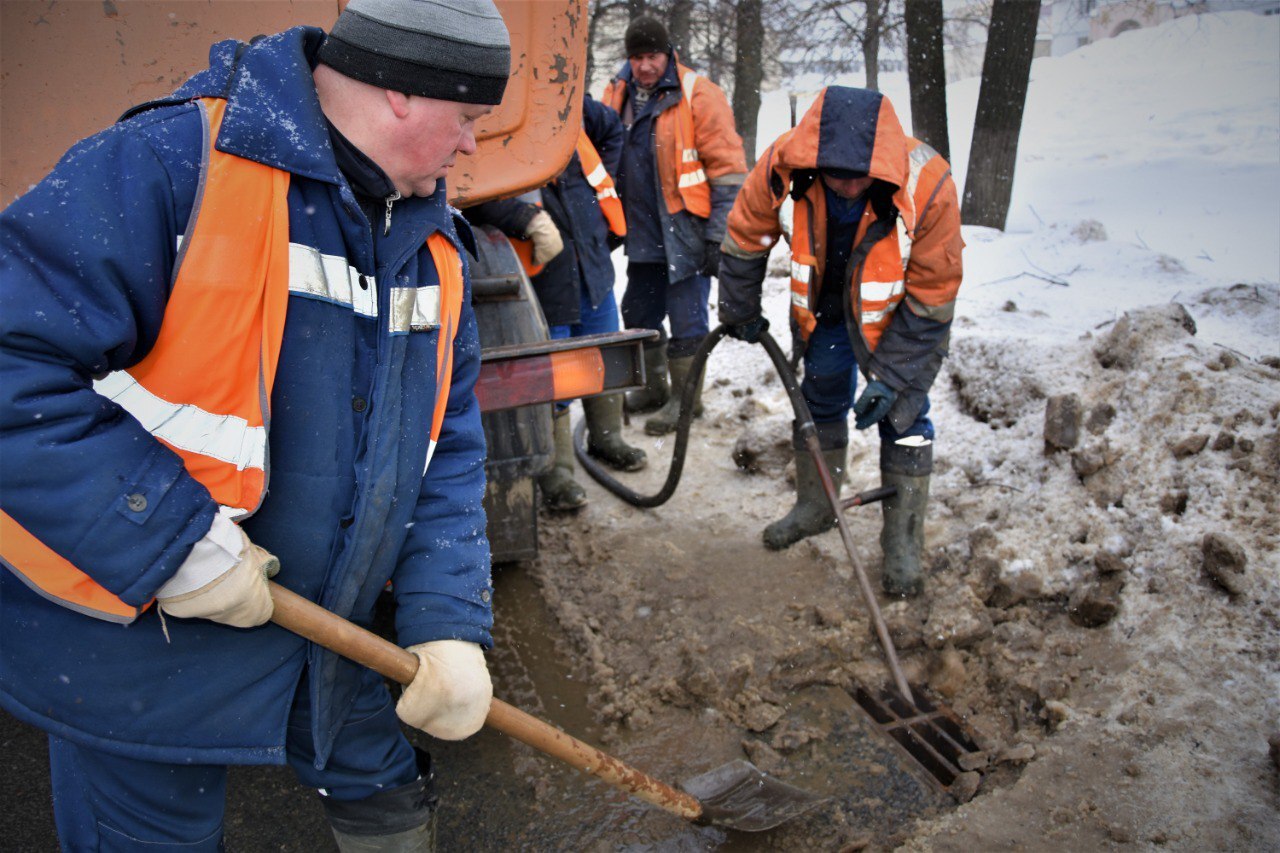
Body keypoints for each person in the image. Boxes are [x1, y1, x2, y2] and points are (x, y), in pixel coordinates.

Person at [0, 0, 510, 848]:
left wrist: (448, 621)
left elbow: (445, 456)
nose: (470, 145)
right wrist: (165, 542)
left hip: (326, 636)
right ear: (399, 94)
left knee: (385, 799)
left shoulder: (434, 251)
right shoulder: (172, 167)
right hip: (138, 642)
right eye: (465, 118)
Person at [717, 86, 964, 597]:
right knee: (820, 397)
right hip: (826, 309)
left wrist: (893, 377)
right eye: (836, 176)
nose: (848, 187)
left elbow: (934, 293)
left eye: (860, 177)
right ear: (815, 159)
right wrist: (739, 308)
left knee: (906, 419)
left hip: (901, 320)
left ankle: (902, 541)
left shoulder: (929, 183)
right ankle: (816, 506)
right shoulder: (783, 166)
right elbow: (745, 233)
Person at [467, 95, 645, 512]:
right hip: (546, 280)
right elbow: (470, 187)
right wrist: (523, 217)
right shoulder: (493, 118)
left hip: (591, 267)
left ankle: (606, 437)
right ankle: (556, 468)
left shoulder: (564, 103)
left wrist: (605, 214)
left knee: (603, 355)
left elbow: (611, 131)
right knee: (554, 374)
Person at [602, 16, 747, 436]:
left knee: (688, 320)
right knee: (638, 312)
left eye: (652, 56)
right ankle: (652, 389)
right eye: (637, 57)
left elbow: (728, 172)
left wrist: (718, 235)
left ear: (669, 54)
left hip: (686, 230)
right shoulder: (617, 92)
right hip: (642, 231)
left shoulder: (699, 94)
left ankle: (686, 402)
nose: (645, 66)